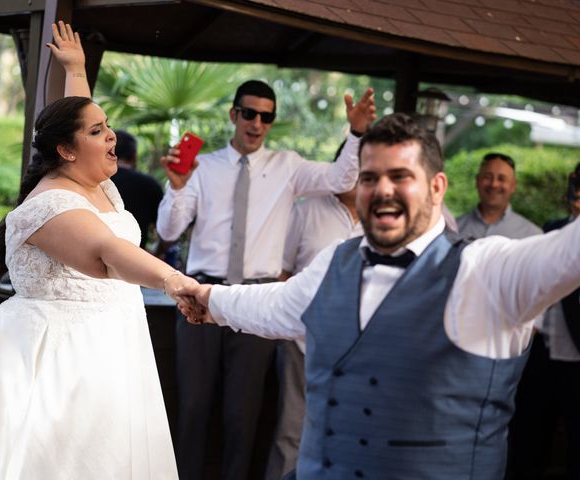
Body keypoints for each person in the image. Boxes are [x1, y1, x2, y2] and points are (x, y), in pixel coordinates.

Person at [47, 20, 376, 479]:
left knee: (243, 414)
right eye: (249, 113)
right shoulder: (202, 167)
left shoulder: (289, 166)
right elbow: (167, 229)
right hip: (197, 294)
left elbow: (342, 180)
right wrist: (179, 188)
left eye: (266, 116)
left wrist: (356, 134)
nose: (257, 123)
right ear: (233, 116)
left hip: (258, 297)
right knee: (194, 407)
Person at [179, 113, 580, 479]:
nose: (381, 190)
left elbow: (569, 252)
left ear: (437, 187)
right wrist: (207, 298)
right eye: (369, 178)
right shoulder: (333, 262)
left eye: (400, 176)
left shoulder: (488, 271)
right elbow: (272, 305)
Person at [0, 95, 201, 479]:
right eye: (98, 132)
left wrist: (76, 68)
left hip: (115, 350)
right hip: (60, 361)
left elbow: (78, 116)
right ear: (66, 150)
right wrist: (173, 279)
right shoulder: (49, 203)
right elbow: (106, 251)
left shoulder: (98, 187)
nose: (111, 136)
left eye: (108, 125)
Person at [265, 177, 363, 480]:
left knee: (351, 435)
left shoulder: (386, 219)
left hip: (359, 351)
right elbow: (282, 272)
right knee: (292, 431)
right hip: (303, 343)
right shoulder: (307, 211)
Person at [506, 163, 580, 480]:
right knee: (529, 437)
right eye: (575, 185)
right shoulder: (553, 228)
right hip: (541, 352)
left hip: (578, 359)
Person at [457, 152, 541, 239]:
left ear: (513, 185)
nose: (494, 184)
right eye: (488, 177)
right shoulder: (453, 230)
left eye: (501, 178)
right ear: (477, 181)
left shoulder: (532, 236)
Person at [111, 129, 164, 249]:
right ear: (134, 156)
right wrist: (158, 253)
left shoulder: (94, 181)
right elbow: (165, 230)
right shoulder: (150, 184)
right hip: (136, 257)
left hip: (93, 260)